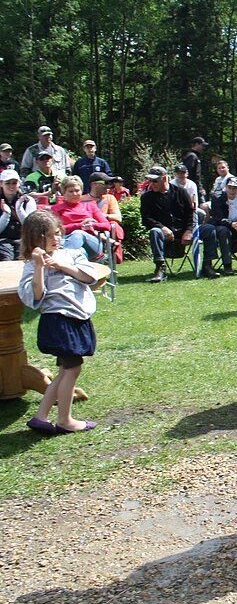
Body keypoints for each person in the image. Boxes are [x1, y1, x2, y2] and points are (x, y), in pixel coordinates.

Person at [18, 210, 99, 434]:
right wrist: (39, 266)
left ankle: (41, 417)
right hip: (57, 319)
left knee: (66, 369)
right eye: (48, 236)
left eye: (57, 233)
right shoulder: (31, 265)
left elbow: (89, 277)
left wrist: (62, 266)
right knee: (73, 368)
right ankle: (65, 420)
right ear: (35, 238)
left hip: (78, 316)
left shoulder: (71, 254)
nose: (56, 239)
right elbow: (35, 297)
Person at [140, 165, 199, 283]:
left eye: (155, 181)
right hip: (163, 234)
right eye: (150, 181)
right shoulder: (147, 197)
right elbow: (146, 219)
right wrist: (162, 227)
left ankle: (206, 266)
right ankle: (160, 268)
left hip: (182, 232)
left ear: (164, 178)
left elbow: (191, 213)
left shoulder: (181, 192)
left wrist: (189, 230)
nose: (152, 184)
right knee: (155, 231)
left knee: (207, 230)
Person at [201, 177, 237, 276]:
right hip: (221, 225)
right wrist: (232, 224)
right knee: (223, 230)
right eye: (229, 187)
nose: (232, 190)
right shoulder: (217, 198)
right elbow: (218, 218)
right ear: (225, 187)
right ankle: (227, 265)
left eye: (234, 188)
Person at [51, 177, 110, 262]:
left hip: (92, 244)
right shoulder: (56, 209)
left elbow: (107, 225)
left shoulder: (90, 205)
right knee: (80, 251)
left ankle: (62, 260)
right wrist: (79, 225)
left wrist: (92, 225)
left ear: (81, 191)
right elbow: (56, 229)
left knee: (78, 233)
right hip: (65, 240)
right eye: (71, 191)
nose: (75, 194)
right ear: (64, 193)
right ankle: (68, 262)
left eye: (77, 190)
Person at [87, 172, 124, 263]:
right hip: (88, 227)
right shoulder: (82, 199)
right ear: (94, 184)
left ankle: (115, 255)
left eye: (110, 183)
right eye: (106, 183)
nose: (108, 186)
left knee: (115, 225)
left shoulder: (109, 198)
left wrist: (103, 216)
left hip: (104, 227)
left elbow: (118, 217)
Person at [0, 169, 25, 260]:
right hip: (2, 240)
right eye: (7, 183)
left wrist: (19, 210)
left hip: (23, 239)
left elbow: (31, 225)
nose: (11, 186)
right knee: (6, 258)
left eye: (14, 183)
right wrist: (6, 215)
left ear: (19, 184)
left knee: (23, 258)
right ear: (1, 184)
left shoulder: (28, 200)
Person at [181, 137, 207, 205]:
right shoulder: (192, 156)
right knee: (202, 206)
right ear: (196, 144)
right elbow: (189, 173)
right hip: (193, 187)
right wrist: (198, 188)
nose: (203, 148)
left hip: (196, 186)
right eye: (202, 145)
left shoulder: (195, 156)